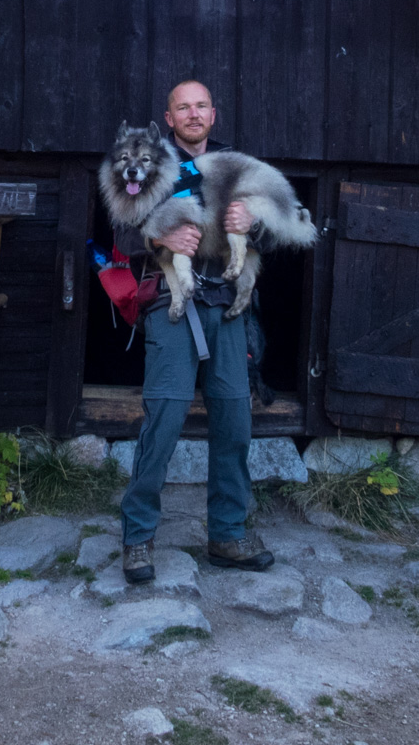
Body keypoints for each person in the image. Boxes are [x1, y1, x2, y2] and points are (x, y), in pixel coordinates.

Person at [117, 80, 274, 584]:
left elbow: (276, 231)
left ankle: (227, 534)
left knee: (234, 420)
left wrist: (252, 222)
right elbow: (116, 230)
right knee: (163, 419)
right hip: (171, 307)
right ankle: (138, 538)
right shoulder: (145, 161)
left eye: (201, 105)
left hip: (228, 310)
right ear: (169, 118)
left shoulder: (238, 168)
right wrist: (157, 234)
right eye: (182, 107)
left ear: (214, 114)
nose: (193, 113)